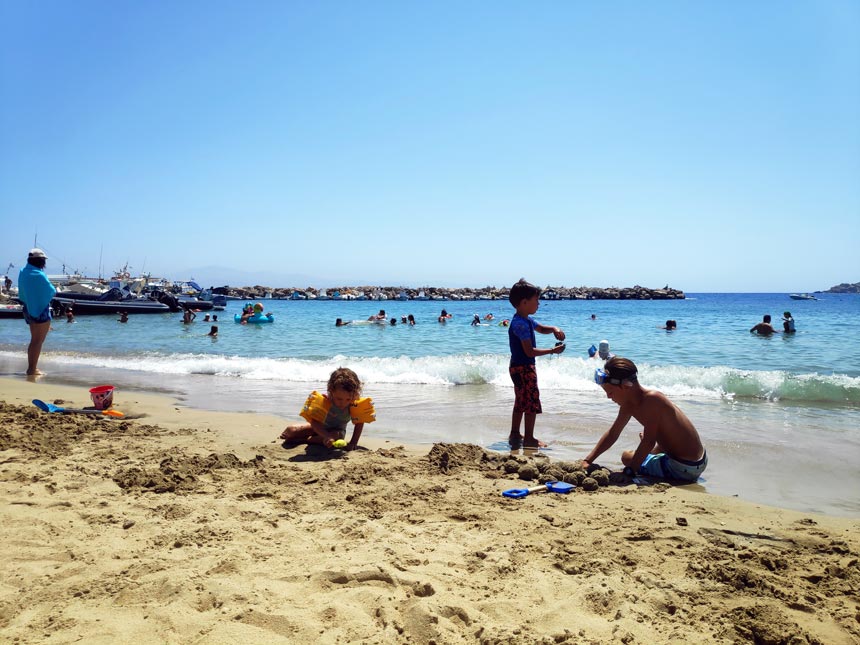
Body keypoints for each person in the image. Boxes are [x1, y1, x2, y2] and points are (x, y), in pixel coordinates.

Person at [584, 357, 707, 482]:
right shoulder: (629, 404)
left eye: (610, 392)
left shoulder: (653, 400)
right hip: (692, 460)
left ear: (626, 386)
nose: (608, 397)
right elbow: (612, 434)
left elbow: (648, 442)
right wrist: (588, 460)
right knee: (642, 450)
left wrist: (629, 471)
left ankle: (651, 462)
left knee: (627, 457)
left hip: (683, 467)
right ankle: (654, 457)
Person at [507, 278, 566, 449]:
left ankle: (515, 433)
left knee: (520, 401)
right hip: (524, 367)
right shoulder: (520, 324)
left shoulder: (524, 319)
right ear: (524, 302)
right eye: (536, 300)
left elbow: (541, 329)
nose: (538, 303)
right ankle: (529, 438)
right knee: (531, 403)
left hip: (516, 367)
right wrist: (552, 351)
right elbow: (530, 352)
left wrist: (554, 328)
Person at [279, 367, 375, 451]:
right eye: (339, 399)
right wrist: (325, 435)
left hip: (337, 433)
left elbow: (359, 423)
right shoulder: (326, 402)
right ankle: (312, 437)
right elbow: (314, 422)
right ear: (331, 391)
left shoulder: (353, 404)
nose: (343, 403)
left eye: (348, 399)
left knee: (334, 436)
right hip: (319, 428)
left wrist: (353, 442)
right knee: (291, 430)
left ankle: (303, 440)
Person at [17, 248, 56, 376]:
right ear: (41, 261)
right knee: (37, 341)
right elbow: (51, 290)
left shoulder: (23, 272)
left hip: (28, 308)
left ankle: (32, 368)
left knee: (34, 340)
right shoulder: (39, 274)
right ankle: (32, 369)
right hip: (40, 310)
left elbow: (22, 293)